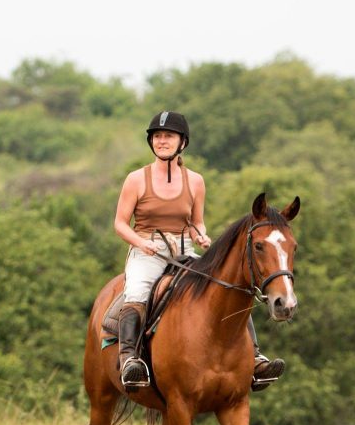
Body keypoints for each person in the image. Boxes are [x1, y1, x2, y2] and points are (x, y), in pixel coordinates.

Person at [113, 111, 285, 392]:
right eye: (157, 136)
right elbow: (120, 223)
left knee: (228, 288)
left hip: (184, 250)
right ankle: (130, 359)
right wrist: (141, 243)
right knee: (137, 293)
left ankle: (254, 358)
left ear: (183, 142)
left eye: (168, 136)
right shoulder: (136, 179)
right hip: (147, 250)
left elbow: (196, 221)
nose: (162, 141)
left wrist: (200, 235)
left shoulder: (195, 181)